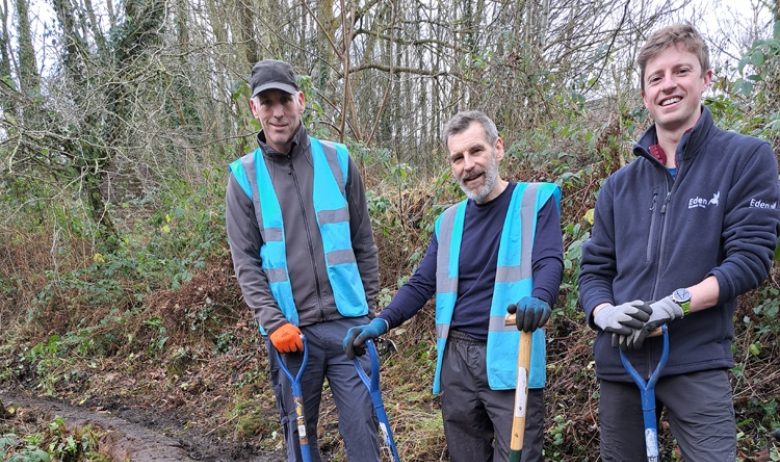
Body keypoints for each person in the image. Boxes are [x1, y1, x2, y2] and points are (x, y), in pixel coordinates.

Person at [578, 24, 780, 461]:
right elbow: (594, 271)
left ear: (706, 79)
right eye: (656, 77)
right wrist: (604, 312)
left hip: (696, 360)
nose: (668, 84)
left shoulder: (744, 158)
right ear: (644, 94)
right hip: (621, 364)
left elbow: (749, 260)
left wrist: (675, 304)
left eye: (681, 71)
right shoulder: (616, 187)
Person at [343, 110, 564, 461]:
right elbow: (420, 284)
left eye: (476, 151)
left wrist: (540, 298)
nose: (468, 165)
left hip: (511, 350)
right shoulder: (447, 222)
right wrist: (380, 322)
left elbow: (549, 260)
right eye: (457, 158)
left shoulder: (535, 201)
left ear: (498, 148)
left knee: (519, 456)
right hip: (456, 362)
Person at [225, 59, 381, 461]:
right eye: (267, 101)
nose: (278, 111)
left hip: (348, 327)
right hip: (291, 336)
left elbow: (363, 241)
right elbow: (246, 262)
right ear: (253, 108)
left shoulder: (338, 160)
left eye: (285, 100)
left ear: (302, 100)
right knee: (301, 441)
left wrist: (370, 313)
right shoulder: (244, 177)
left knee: (363, 436)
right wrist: (273, 323)